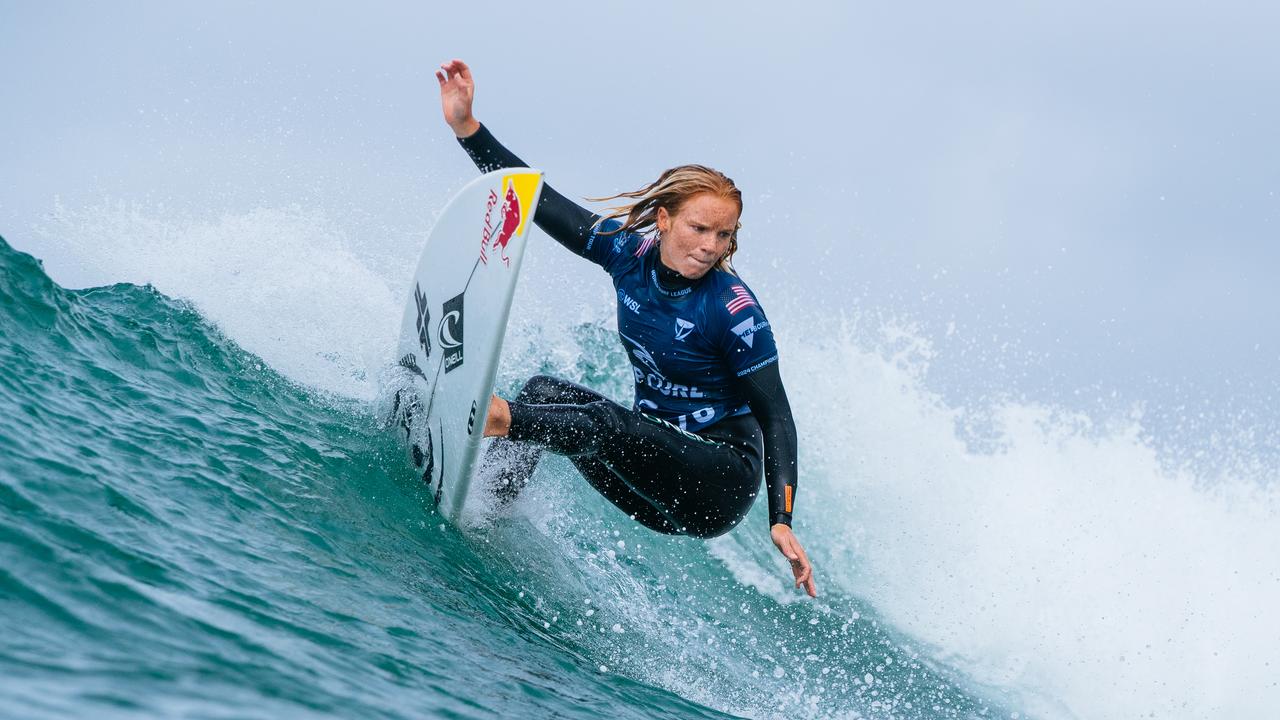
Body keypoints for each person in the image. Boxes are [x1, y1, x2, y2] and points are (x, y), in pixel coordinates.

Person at [436, 59, 817, 598]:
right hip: (648, 474)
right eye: (699, 227)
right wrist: (468, 129)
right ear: (664, 219)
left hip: (716, 482)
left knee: (600, 422)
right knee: (545, 393)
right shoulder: (626, 252)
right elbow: (540, 201)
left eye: (724, 235)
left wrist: (781, 518)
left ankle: (492, 417)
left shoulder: (734, 312)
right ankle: (481, 515)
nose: (710, 245)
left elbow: (775, 414)